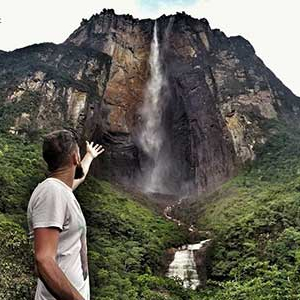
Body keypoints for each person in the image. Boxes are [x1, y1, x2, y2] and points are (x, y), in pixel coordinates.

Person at [27, 129, 105, 300]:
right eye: (79, 154)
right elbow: (43, 260)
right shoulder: (51, 192)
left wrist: (90, 156)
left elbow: (78, 177)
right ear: (75, 158)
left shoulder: (61, 190)